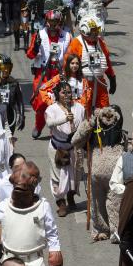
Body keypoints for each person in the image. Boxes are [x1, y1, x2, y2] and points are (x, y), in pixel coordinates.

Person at [45, 82, 85, 217]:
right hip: (57, 148)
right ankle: (61, 203)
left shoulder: (79, 107)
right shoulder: (51, 109)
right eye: (63, 92)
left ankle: (71, 197)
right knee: (57, 177)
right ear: (57, 94)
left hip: (73, 147)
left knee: (74, 175)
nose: (67, 95)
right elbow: (49, 123)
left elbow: (83, 125)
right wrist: (63, 119)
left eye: (69, 92)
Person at [64, 15, 116, 111]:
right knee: (84, 111)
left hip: (100, 83)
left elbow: (106, 61)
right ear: (85, 31)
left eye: (97, 30)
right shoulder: (76, 43)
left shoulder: (100, 42)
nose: (96, 33)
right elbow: (67, 64)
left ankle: (99, 126)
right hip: (83, 83)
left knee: (104, 112)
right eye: (94, 31)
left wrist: (112, 77)